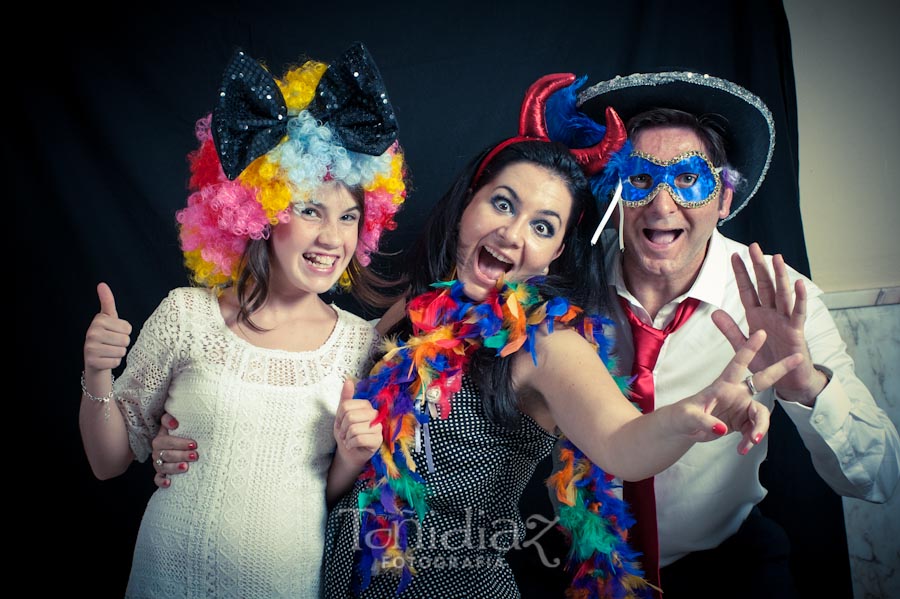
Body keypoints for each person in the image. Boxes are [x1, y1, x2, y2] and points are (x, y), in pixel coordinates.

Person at [152, 73, 800, 598]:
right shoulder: (402, 316)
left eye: (544, 227)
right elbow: (313, 425)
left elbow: (623, 444)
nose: (513, 234)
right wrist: (196, 434)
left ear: (554, 255)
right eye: (503, 203)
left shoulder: (546, 346)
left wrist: (688, 417)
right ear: (467, 203)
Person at [79, 43, 408, 598]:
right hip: (164, 581)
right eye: (310, 210)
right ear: (261, 212)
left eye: (349, 216)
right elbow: (107, 462)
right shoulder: (186, 315)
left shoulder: (362, 344)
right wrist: (97, 374)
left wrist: (352, 457)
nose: (333, 238)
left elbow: (327, 500)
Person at [573, 70, 900, 598]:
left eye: (688, 179)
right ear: (614, 191)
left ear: (724, 198)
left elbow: (878, 478)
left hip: (722, 569)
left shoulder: (784, 300)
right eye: (638, 178)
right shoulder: (562, 286)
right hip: (576, 565)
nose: (662, 205)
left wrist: (803, 383)